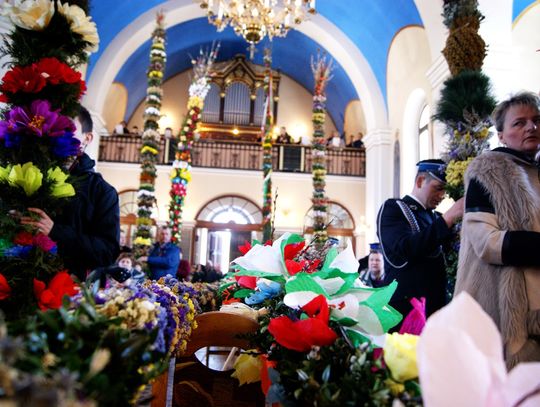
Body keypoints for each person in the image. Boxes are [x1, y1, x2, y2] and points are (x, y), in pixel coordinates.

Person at [454, 91, 540, 368]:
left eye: (537, 120)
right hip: (500, 307)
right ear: (501, 134)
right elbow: (487, 242)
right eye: (520, 122)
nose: (531, 127)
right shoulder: (487, 171)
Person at [20, 106, 120, 281]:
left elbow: (107, 252)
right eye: (55, 130)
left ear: (87, 138)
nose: (60, 138)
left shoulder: (103, 192)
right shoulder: (29, 174)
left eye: (68, 131)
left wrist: (55, 231)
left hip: (71, 290)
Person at [377, 159, 464, 319]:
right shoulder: (394, 208)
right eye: (438, 189)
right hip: (405, 308)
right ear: (420, 181)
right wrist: (448, 218)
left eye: (445, 191)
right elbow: (404, 248)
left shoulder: (436, 218)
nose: (442, 196)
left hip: (436, 307)